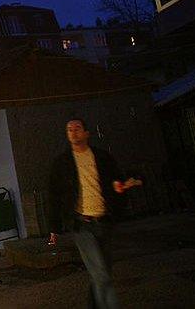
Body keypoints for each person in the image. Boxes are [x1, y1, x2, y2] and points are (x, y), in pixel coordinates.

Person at [47, 119, 140, 309]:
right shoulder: (62, 163)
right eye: (69, 129)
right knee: (101, 275)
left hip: (104, 221)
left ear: (87, 133)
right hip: (82, 225)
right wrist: (54, 227)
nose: (73, 132)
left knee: (101, 274)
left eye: (77, 128)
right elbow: (54, 195)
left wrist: (119, 187)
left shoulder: (102, 157)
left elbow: (116, 181)